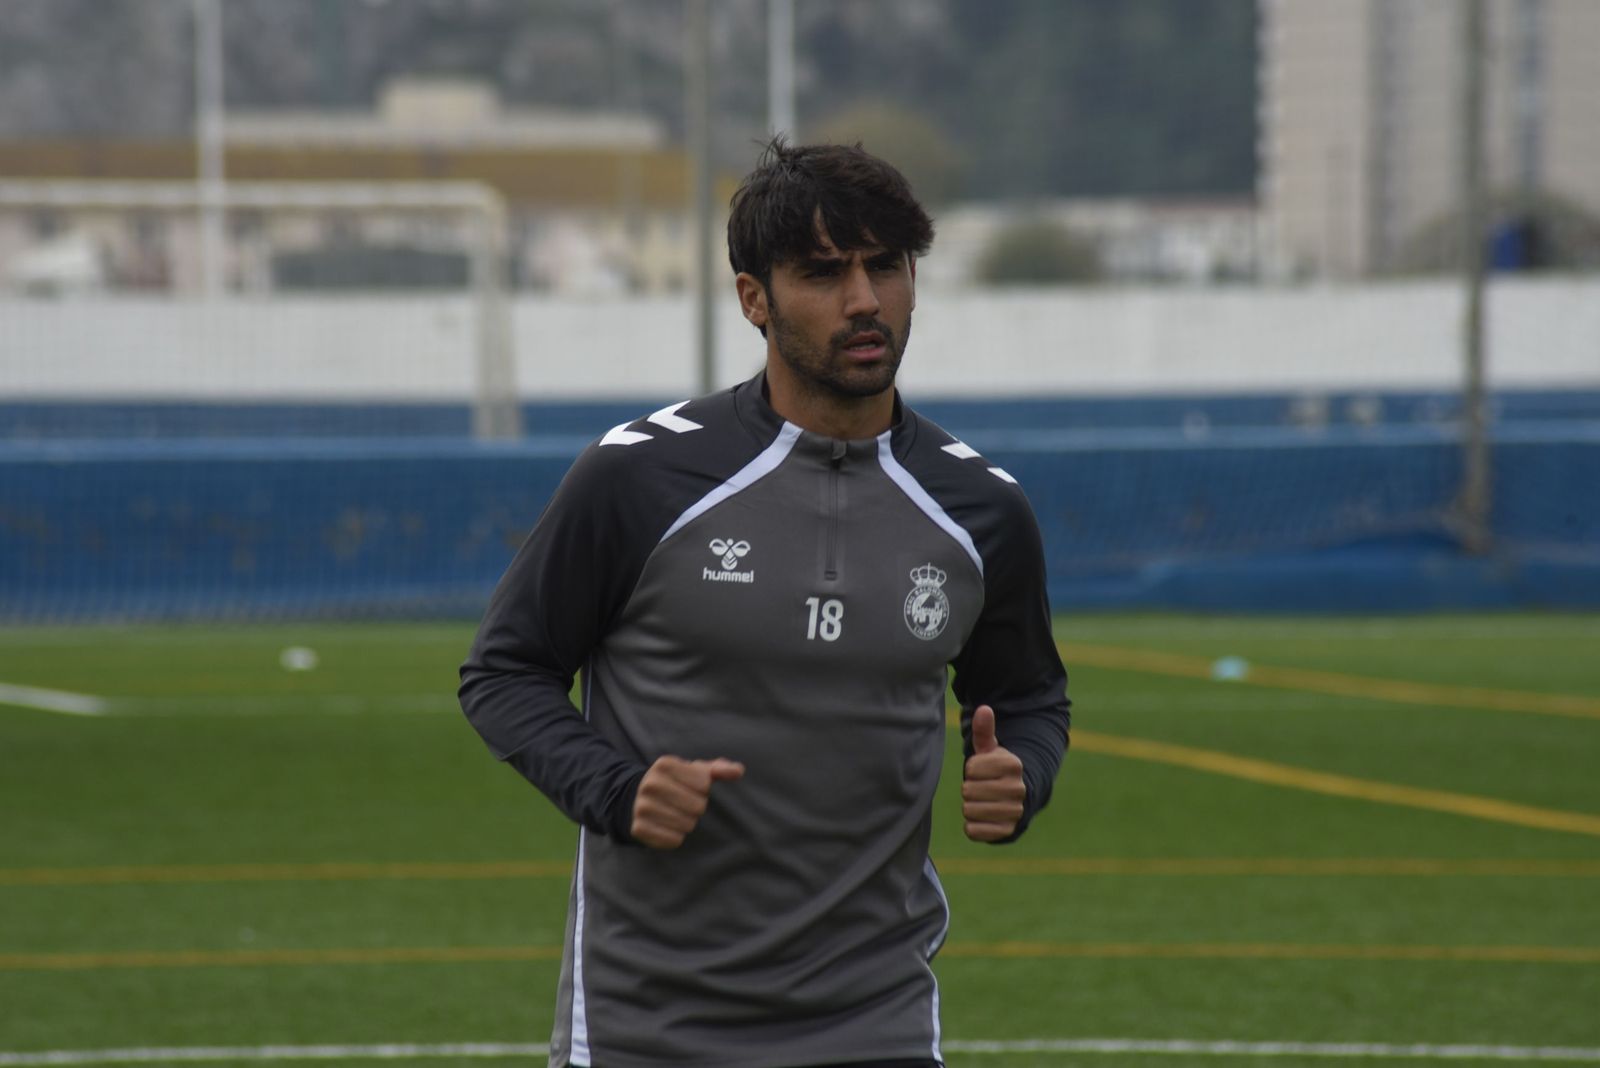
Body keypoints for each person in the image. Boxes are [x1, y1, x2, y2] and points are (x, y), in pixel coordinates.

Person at [458, 137, 1071, 1068]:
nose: (865, 301)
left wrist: (1024, 771)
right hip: (645, 1027)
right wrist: (617, 792)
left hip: (879, 1020)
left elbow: (1028, 699)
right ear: (755, 297)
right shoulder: (640, 478)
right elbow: (504, 672)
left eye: (887, 267)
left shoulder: (981, 510)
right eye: (824, 273)